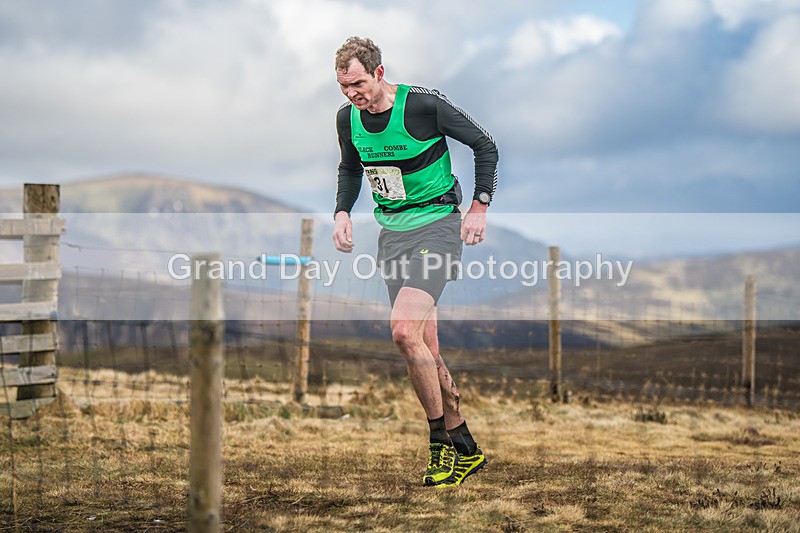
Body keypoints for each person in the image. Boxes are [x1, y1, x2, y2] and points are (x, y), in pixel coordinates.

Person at [332, 36, 498, 487]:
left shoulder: (422, 106)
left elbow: (486, 146)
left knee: (403, 332)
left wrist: (480, 205)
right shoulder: (348, 119)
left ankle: (439, 449)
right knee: (425, 349)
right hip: (393, 237)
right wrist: (342, 212)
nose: (352, 94)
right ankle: (465, 446)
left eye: (359, 83)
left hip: (438, 229)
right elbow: (351, 169)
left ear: (379, 72)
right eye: (344, 86)